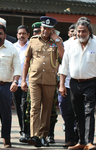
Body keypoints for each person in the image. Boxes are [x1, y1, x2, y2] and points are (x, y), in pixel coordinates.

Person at [21, 16, 64, 147]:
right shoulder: (33, 41)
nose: (45, 30)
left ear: (53, 30)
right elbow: (27, 61)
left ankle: (43, 135)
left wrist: (57, 41)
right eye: (44, 28)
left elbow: (63, 57)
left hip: (50, 80)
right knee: (34, 107)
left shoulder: (57, 41)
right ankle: (35, 136)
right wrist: (23, 80)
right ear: (40, 28)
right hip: (34, 79)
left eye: (48, 29)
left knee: (46, 109)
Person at [59, 20, 96, 150]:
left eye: (83, 31)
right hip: (74, 83)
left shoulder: (95, 44)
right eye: (78, 31)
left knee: (89, 112)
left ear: (89, 32)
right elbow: (64, 66)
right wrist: (62, 84)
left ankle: (89, 142)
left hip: (91, 83)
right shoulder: (70, 45)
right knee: (78, 113)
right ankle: (81, 142)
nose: (80, 34)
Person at [58, 24, 79, 148]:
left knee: (80, 112)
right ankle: (70, 139)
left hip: (83, 82)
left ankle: (81, 139)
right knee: (69, 112)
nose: (77, 35)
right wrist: (61, 84)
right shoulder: (66, 44)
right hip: (68, 82)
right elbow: (63, 65)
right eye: (75, 33)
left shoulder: (88, 44)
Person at [13, 25, 30, 143]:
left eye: (23, 33)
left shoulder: (31, 46)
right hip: (15, 83)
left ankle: (27, 132)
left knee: (25, 107)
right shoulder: (13, 47)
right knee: (18, 107)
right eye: (19, 33)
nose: (21, 35)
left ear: (28, 35)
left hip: (28, 82)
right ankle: (22, 130)